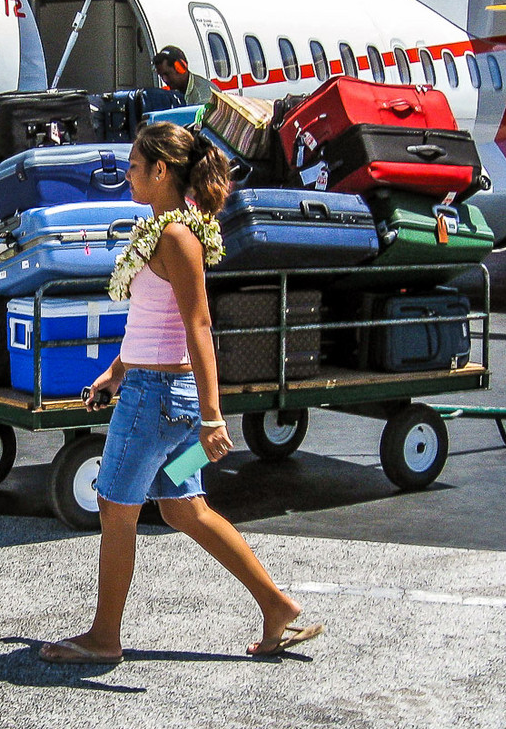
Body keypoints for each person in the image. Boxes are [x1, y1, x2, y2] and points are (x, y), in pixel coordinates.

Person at [40, 122, 320, 665]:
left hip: (160, 402)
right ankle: (277, 605)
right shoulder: (164, 232)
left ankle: (104, 638)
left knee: (113, 506)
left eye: (135, 166)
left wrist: (215, 419)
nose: (127, 173)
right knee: (183, 507)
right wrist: (117, 369)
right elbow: (157, 319)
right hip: (163, 399)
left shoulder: (176, 238)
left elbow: (198, 326)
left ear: (161, 171)